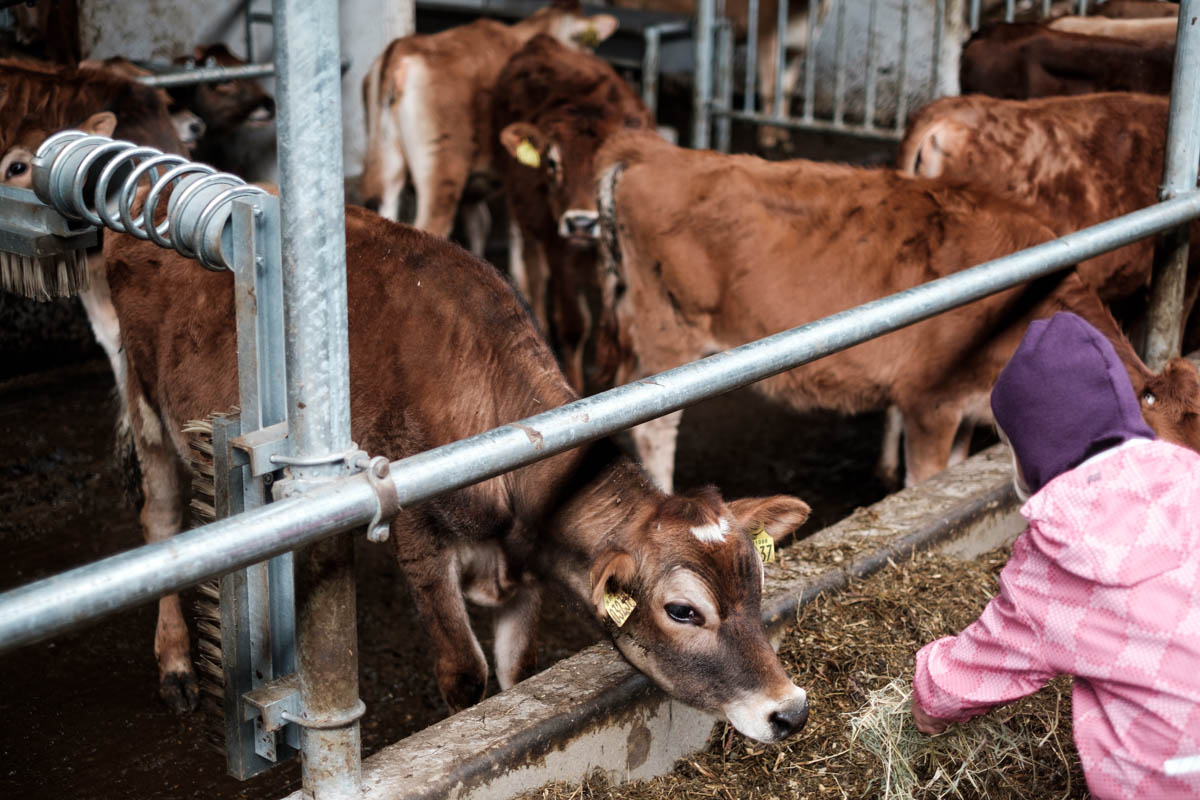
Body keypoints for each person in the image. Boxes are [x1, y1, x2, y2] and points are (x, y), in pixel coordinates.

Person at [910, 311, 1200, 799]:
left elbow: (964, 676)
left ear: (1033, 449)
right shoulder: (1191, 475)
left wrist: (926, 692)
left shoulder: (1060, 561)